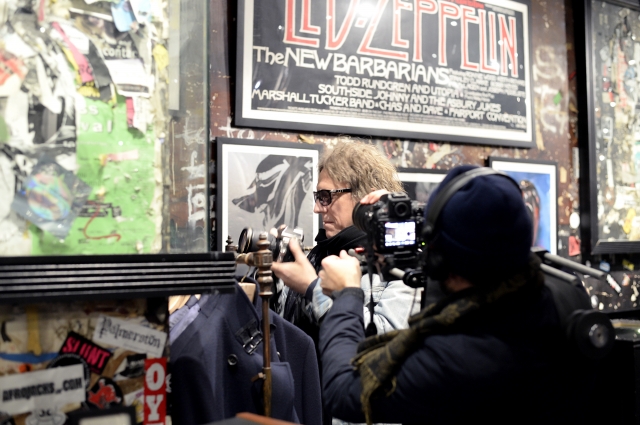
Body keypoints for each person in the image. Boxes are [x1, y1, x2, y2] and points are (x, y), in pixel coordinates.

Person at [317, 165, 594, 425]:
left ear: (440, 261)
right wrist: (408, 213)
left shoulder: (456, 357)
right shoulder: (566, 295)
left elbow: (342, 393)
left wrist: (346, 295)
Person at [271, 140, 419, 344]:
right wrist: (273, 277)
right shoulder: (318, 254)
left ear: (367, 197)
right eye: (318, 196)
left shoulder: (401, 264)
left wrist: (314, 289)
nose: (317, 208)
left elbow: (383, 343)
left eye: (326, 196)